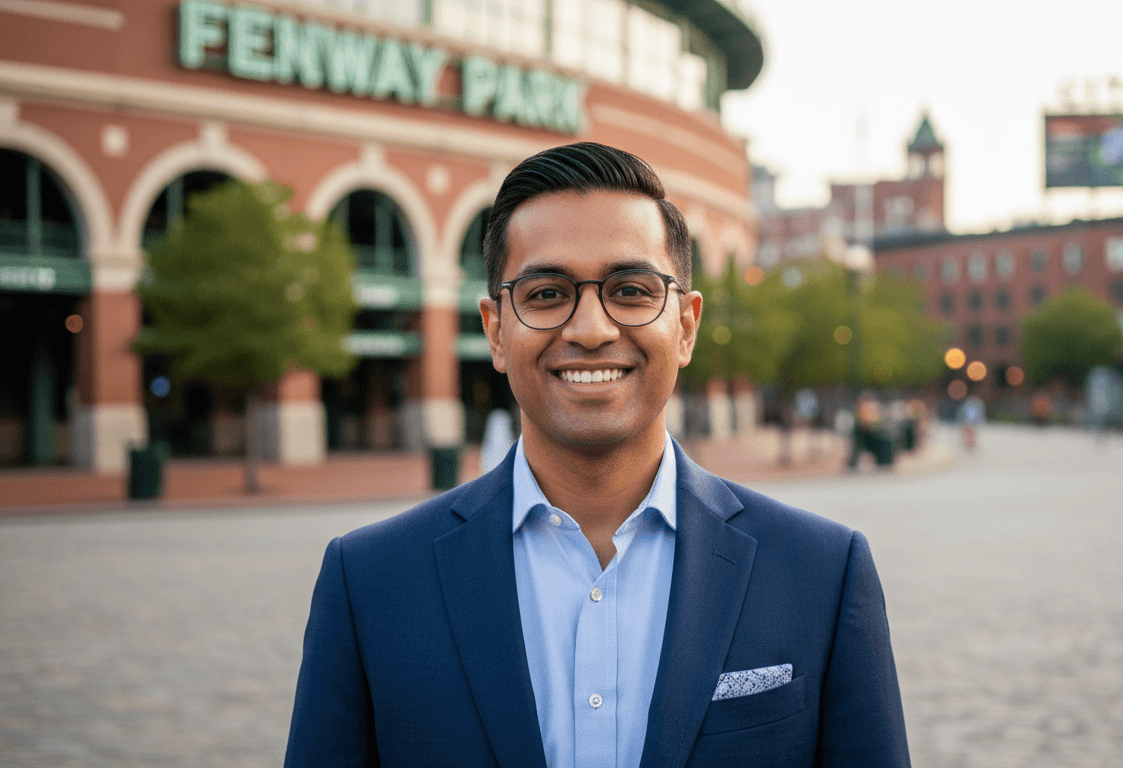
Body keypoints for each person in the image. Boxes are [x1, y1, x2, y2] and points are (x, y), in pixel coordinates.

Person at [284, 143, 911, 767]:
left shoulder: (823, 574)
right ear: (496, 330)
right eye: (547, 293)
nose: (590, 329)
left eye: (632, 290)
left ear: (686, 326)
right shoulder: (368, 582)